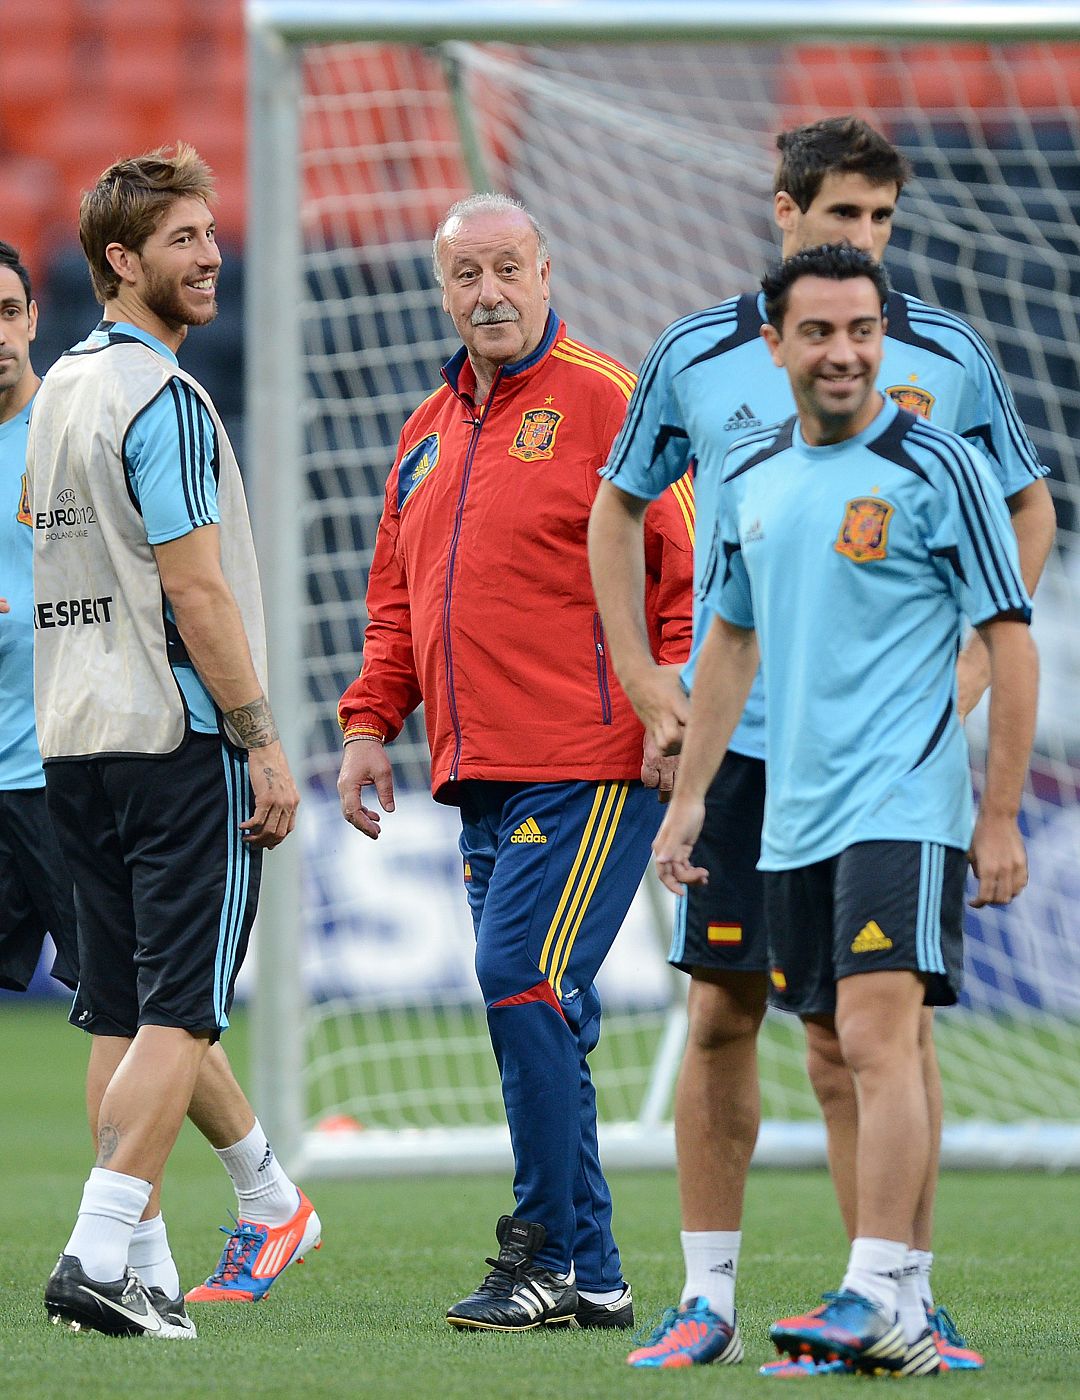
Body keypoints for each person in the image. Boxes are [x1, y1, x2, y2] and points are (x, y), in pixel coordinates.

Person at [588, 116, 1054, 1373]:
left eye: (884, 226)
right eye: (846, 219)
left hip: (884, 759)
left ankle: (892, 1290)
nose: (867, 251)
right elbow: (624, 511)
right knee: (723, 1019)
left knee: (870, 1029)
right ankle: (710, 1296)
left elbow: (1025, 515)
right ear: (785, 211)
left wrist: (968, 657)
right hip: (745, 760)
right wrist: (647, 684)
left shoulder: (941, 361)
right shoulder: (700, 360)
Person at [337, 192, 694, 1333]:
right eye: (464, 276)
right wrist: (364, 724)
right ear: (442, 290)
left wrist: (673, 718)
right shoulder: (426, 429)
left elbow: (688, 578)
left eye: (505, 268)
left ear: (547, 269)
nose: (486, 293)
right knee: (535, 1000)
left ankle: (538, 1249)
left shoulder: (613, 401)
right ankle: (592, 1274)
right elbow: (397, 602)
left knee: (521, 977)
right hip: (477, 770)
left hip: (591, 761)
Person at [30, 147, 316, 1340]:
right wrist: (260, 740)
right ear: (120, 259)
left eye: (211, 233)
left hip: (72, 735)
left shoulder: (55, 388)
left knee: (118, 1012)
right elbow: (198, 591)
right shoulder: (168, 399)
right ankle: (100, 1251)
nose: (211, 256)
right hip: (177, 732)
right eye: (185, 238)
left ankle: (150, 1260)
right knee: (181, 1014)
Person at [0, 241, 79, 998]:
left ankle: (251, 1130)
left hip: (61, 772)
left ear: (32, 319)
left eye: (7, 312)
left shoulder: (74, 431)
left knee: (122, 997)